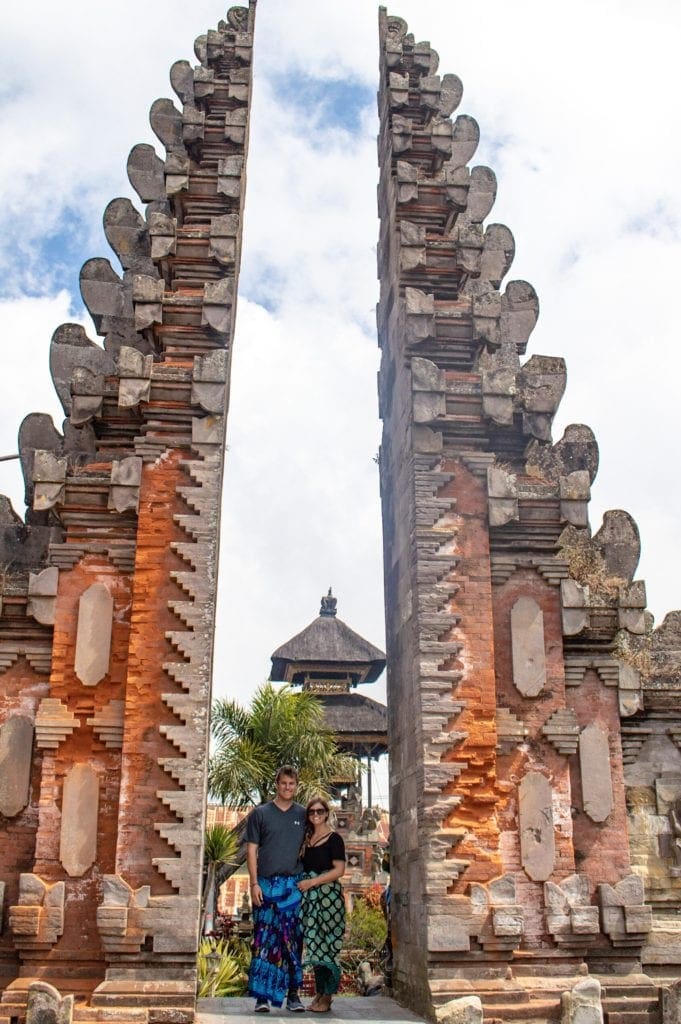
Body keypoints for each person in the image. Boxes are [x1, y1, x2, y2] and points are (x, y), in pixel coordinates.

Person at [246, 765, 306, 1014]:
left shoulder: (303, 814)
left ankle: (293, 995)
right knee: (264, 940)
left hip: (292, 887)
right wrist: (253, 883)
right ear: (276, 784)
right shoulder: (260, 814)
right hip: (266, 885)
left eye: (291, 784)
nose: (287, 788)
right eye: (283, 783)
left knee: (292, 942)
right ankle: (262, 996)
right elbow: (251, 850)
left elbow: (314, 842)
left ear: (296, 786)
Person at [297, 796, 346, 1014]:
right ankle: (319, 991)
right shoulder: (307, 839)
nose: (315, 815)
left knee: (328, 947)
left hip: (328, 899)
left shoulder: (334, 839)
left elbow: (339, 870)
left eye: (319, 811)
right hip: (310, 900)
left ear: (326, 813)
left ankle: (328, 995)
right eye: (311, 812)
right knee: (315, 947)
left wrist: (313, 882)